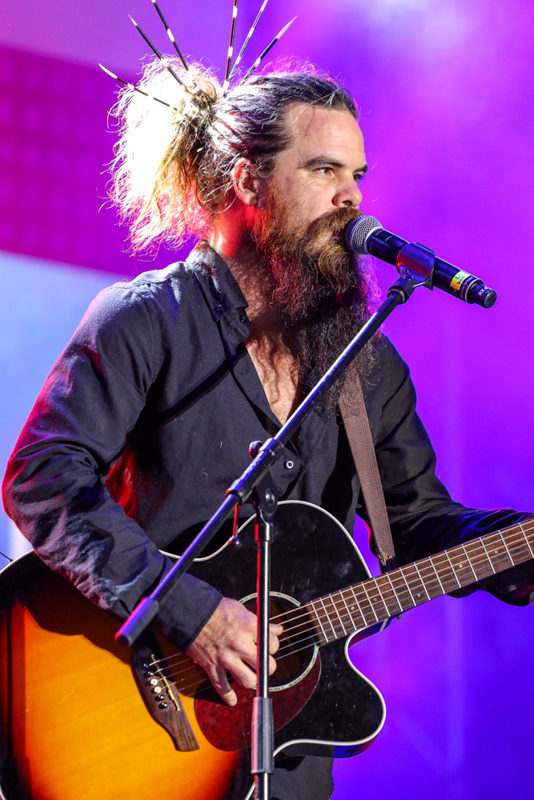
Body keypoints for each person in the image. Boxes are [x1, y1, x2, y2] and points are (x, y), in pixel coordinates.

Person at [2, 61, 533, 800]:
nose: (351, 198)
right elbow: (43, 475)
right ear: (250, 183)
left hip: (288, 760)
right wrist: (186, 610)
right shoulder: (149, 319)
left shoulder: (368, 367)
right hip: (127, 716)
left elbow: (419, 523)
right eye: (324, 169)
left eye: (357, 174)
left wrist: (517, 545)